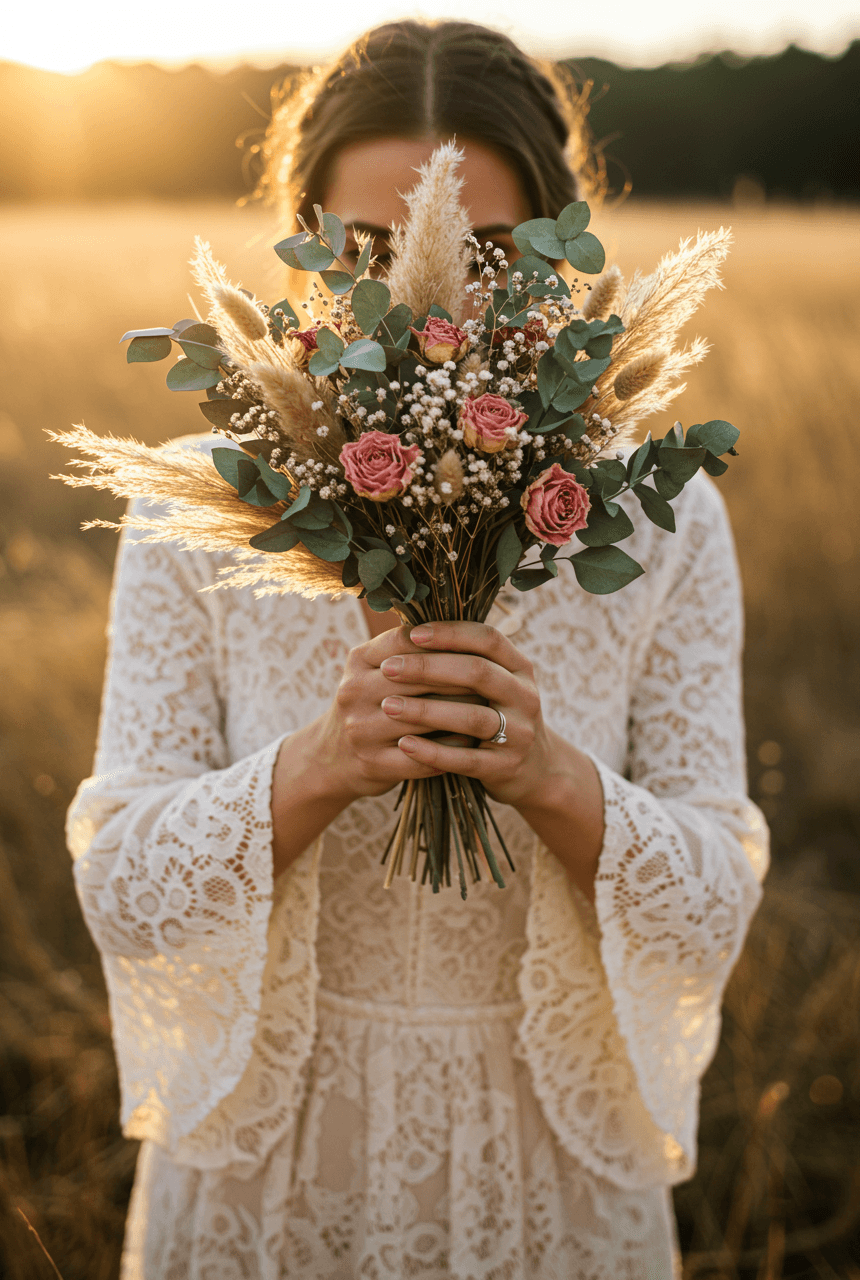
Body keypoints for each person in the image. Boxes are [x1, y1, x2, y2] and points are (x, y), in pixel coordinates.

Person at [67, 20, 769, 1279]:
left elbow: (717, 896)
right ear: (304, 243)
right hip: (271, 1170)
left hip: (551, 1162)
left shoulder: (662, 516)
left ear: (561, 246)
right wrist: (319, 762)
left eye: (489, 251)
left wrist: (557, 778)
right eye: (368, 253)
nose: (425, 302)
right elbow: (119, 887)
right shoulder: (193, 507)